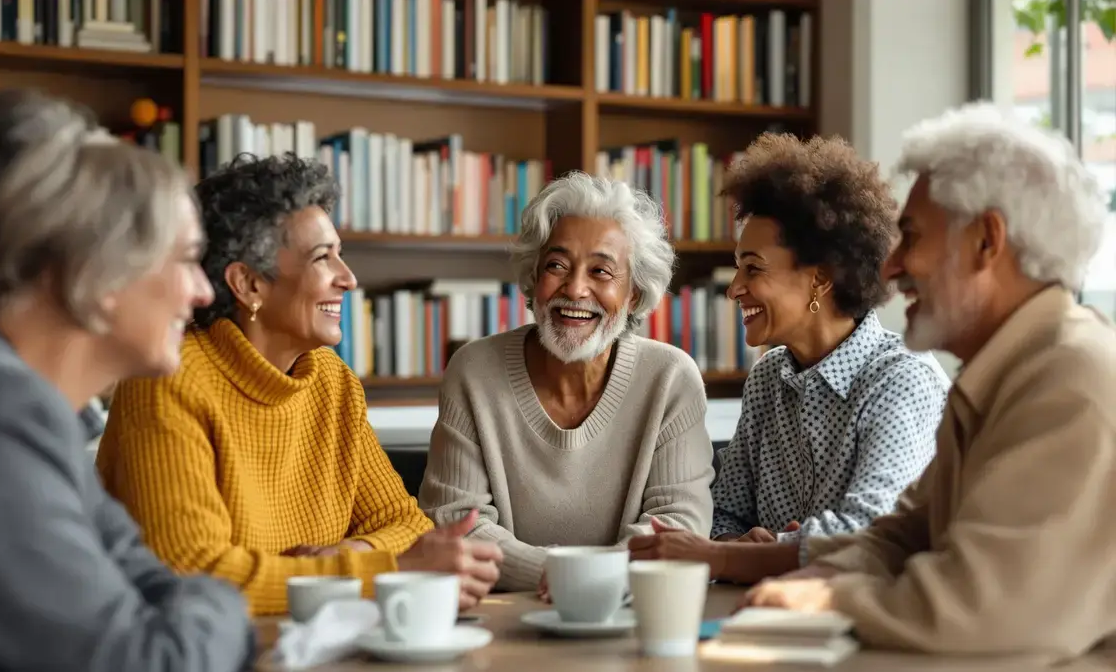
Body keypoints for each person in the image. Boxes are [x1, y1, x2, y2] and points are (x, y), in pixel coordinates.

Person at [741, 103, 1116, 663]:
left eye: (910, 237)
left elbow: (982, 608)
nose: (889, 268)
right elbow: (901, 535)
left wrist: (827, 596)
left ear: (987, 241)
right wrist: (819, 567)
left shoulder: (1070, 379)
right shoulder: (1006, 374)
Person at [0, 89, 253, 670]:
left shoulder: (27, 411)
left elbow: (151, 587)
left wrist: (197, 607)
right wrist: (223, 601)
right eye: (185, 258)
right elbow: (153, 660)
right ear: (95, 273)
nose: (202, 291)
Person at [97, 153, 502, 616]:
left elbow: (406, 524)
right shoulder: (166, 382)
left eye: (340, 254)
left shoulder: (332, 382)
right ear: (248, 284)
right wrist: (384, 570)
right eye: (321, 257)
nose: (348, 279)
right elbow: (196, 573)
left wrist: (344, 556)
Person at [628, 133, 950, 585]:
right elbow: (724, 513)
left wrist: (739, 558)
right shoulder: (767, 379)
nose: (734, 287)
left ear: (819, 279)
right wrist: (744, 548)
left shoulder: (903, 379)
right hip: (770, 619)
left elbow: (869, 532)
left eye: (753, 268)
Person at [417, 171, 716, 593]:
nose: (575, 289)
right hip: (502, 619)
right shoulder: (473, 371)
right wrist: (560, 576)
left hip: (630, 614)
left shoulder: (670, 380)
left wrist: (579, 583)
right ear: (534, 277)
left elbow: (678, 528)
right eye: (557, 266)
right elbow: (457, 524)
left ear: (632, 294)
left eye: (601, 271)